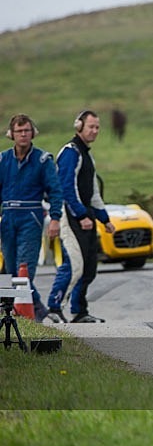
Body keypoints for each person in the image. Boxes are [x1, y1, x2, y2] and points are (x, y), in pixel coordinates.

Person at [47, 110, 115, 323]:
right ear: (79, 127)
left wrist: (105, 219)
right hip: (71, 216)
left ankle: (79, 311)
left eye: (97, 127)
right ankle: (53, 308)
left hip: (86, 215)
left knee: (89, 267)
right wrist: (81, 214)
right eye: (90, 127)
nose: (94, 131)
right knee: (75, 265)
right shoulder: (71, 152)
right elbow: (66, 188)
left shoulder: (86, 154)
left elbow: (93, 191)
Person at [0, 114, 63, 322]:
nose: (23, 135)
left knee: (24, 268)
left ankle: (28, 314)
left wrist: (55, 218)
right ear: (12, 134)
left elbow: (55, 191)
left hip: (31, 216)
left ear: (33, 132)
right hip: (8, 216)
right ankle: (33, 310)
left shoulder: (43, 159)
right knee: (10, 270)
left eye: (27, 130)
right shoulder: (3, 159)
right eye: (19, 131)